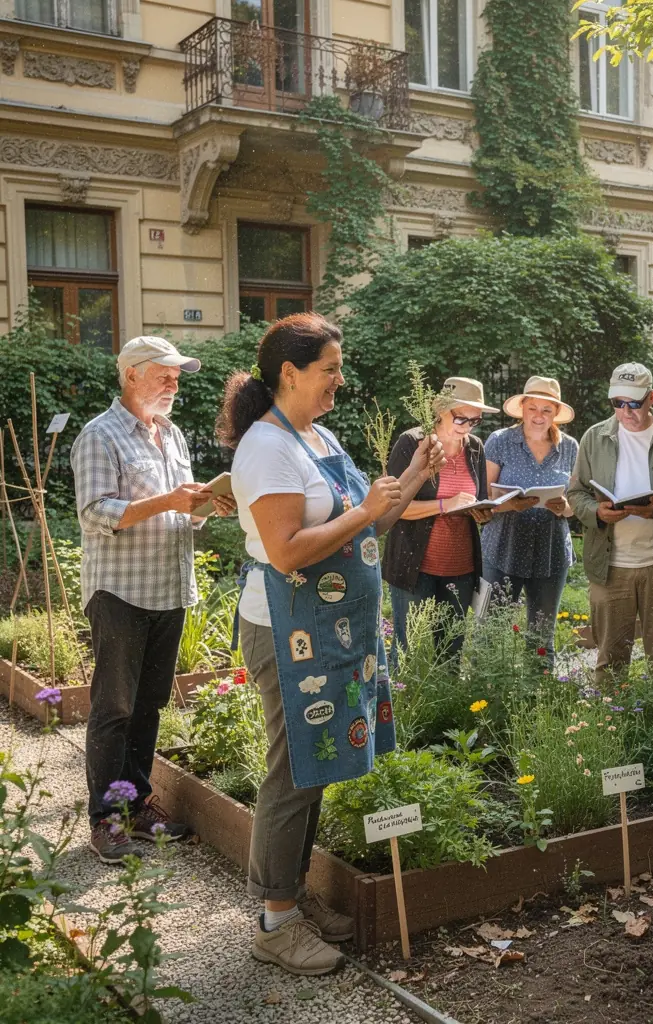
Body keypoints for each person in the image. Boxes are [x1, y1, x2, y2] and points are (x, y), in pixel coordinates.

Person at [218, 313, 442, 974]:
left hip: (325, 632)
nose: (339, 381)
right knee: (292, 775)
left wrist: (416, 479)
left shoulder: (315, 436)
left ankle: (288, 901)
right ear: (290, 372)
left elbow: (364, 523)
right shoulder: (266, 449)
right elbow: (288, 548)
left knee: (313, 769)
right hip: (286, 632)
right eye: (329, 370)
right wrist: (369, 510)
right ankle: (275, 921)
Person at [71, 337, 235, 864]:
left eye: (177, 376)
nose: (173, 384)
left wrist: (209, 506)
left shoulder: (172, 434)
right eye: (163, 374)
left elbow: (181, 512)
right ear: (131, 375)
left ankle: (137, 804)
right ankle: (104, 820)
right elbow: (95, 513)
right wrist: (168, 500)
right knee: (113, 707)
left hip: (169, 589)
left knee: (150, 705)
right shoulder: (100, 435)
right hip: (120, 590)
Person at [567, 363, 653, 683]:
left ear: (651, 397)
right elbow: (576, 494)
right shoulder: (594, 438)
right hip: (609, 568)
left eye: (634, 403)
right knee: (610, 664)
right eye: (618, 403)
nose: (626, 410)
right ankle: (611, 731)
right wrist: (597, 512)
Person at [383, 377, 497, 661]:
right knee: (409, 652)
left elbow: (477, 497)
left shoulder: (475, 448)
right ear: (441, 411)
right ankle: (404, 705)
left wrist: (483, 512)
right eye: (461, 419)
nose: (468, 427)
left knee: (451, 653)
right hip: (415, 567)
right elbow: (392, 509)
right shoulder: (414, 443)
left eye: (475, 421)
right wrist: (446, 504)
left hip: (460, 567)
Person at [480, 377, 578, 658]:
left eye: (546, 410)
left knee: (541, 638)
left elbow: (575, 504)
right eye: (532, 408)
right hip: (501, 546)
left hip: (551, 550)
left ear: (556, 414)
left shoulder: (570, 447)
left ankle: (538, 698)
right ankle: (483, 697)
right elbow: (485, 497)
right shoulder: (500, 441)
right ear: (522, 408)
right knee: (489, 631)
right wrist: (511, 505)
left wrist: (564, 508)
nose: (538, 416)